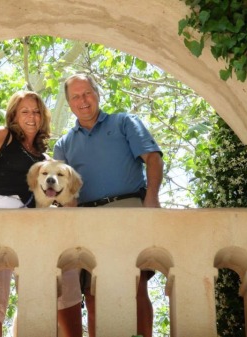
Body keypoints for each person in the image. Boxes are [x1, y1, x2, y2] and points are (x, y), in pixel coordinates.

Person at [53, 74, 164, 337]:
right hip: (88, 221)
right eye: (76, 96)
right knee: (93, 293)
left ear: (97, 93)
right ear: (69, 104)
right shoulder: (64, 145)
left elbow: (153, 158)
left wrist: (152, 198)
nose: (83, 100)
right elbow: (62, 191)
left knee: (135, 286)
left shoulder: (124, 122)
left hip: (128, 210)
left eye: (87, 93)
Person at [0, 90, 51, 337]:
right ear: (14, 114)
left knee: (34, 290)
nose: (31, 117)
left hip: (26, 224)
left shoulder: (44, 158)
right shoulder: (4, 136)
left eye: (36, 111)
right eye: (25, 111)